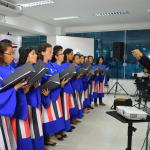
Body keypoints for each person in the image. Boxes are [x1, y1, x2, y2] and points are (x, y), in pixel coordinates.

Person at [0, 43, 31, 150]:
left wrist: (23, 87)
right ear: (1, 54)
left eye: (13, 54)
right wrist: (15, 88)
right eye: (10, 54)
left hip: (13, 106)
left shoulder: (11, 68)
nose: (13, 57)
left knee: (9, 138)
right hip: (3, 109)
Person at [16, 47, 44, 150]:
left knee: (35, 127)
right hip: (26, 102)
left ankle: (38, 146)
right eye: (33, 53)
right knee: (29, 128)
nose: (36, 55)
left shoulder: (34, 68)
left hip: (35, 99)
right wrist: (26, 89)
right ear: (26, 55)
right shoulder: (19, 70)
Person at [38, 43, 59, 146]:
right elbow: (40, 82)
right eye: (49, 52)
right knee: (43, 119)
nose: (51, 53)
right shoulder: (40, 65)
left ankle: (47, 138)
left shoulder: (50, 64)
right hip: (43, 96)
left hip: (51, 93)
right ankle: (45, 140)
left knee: (48, 118)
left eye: (52, 51)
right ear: (42, 52)